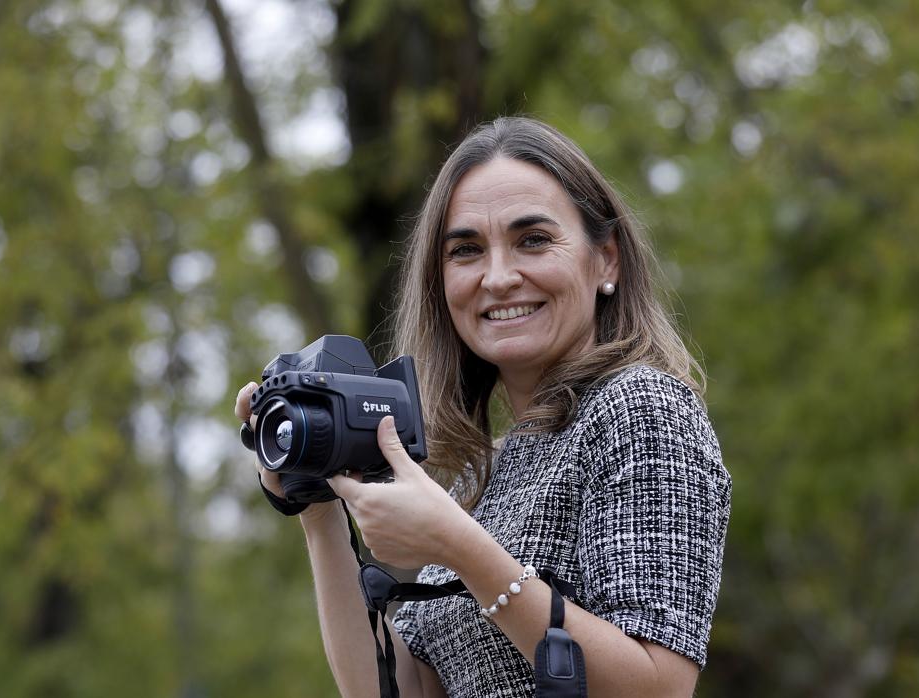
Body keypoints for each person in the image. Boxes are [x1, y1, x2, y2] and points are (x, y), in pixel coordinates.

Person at [234, 116, 731, 697]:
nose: (497, 277)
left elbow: (658, 688)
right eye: (466, 250)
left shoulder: (642, 409)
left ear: (608, 260)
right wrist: (316, 507)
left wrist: (460, 547)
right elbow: (400, 690)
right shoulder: (480, 473)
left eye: (533, 240)